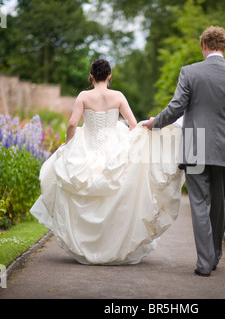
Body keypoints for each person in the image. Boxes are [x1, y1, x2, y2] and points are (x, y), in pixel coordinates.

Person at [30, 59, 184, 265]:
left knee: (83, 192)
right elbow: (132, 124)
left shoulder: (84, 96)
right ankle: (112, 246)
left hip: (89, 148)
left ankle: (88, 246)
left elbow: (72, 124)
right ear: (109, 76)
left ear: (91, 76)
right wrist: (131, 146)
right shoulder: (118, 96)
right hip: (114, 151)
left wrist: (68, 145)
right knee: (116, 198)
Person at [144, 26, 225, 277]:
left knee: (199, 203)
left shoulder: (190, 72)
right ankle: (215, 257)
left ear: (203, 45)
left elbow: (177, 106)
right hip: (223, 145)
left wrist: (155, 122)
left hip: (195, 143)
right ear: (224, 46)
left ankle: (204, 263)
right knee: (218, 203)